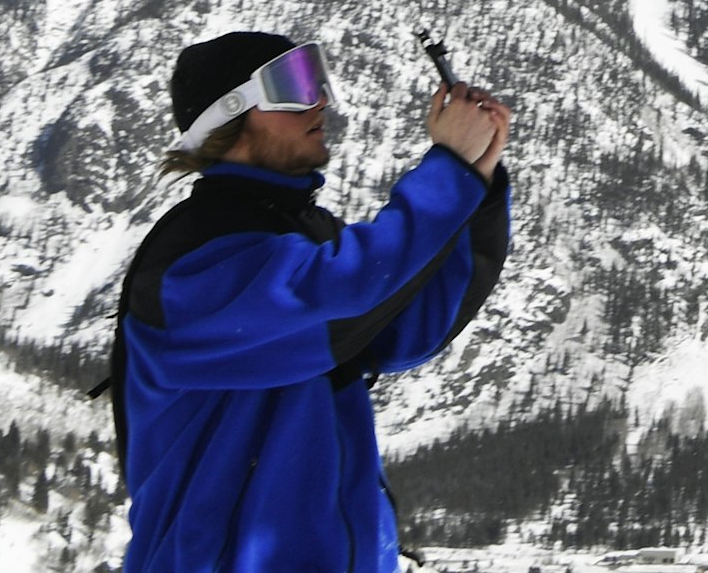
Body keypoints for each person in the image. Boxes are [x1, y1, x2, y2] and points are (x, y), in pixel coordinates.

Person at [108, 31, 514, 573]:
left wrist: (476, 184)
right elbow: (342, 306)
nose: (319, 99)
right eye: (293, 84)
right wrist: (451, 173)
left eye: (316, 78)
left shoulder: (300, 234)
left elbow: (403, 330)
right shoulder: (191, 259)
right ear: (232, 113)